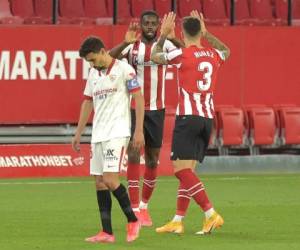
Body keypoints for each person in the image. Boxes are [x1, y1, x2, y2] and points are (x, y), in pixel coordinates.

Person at [150, 11, 230, 235]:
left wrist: (164, 35)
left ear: (183, 33)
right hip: (207, 118)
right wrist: (208, 34)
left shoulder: (181, 55)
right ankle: (178, 220)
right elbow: (227, 51)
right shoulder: (213, 54)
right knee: (189, 169)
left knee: (180, 169)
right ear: (200, 31)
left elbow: (155, 56)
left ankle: (210, 213)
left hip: (188, 117)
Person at [109, 10, 184, 226]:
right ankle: (133, 209)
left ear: (158, 26)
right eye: (146, 23)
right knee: (133, 154)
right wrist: (124, 43)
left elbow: (189, 54)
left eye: (153, 23)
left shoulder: (167, 46)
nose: (150, 26)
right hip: (133, 108)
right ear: (141, 26)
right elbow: (109, 59)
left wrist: (172, 37)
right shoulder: (132, 46)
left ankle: (144, 208)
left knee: (152, 159)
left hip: (157, 110)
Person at [72, 36, 145, 243]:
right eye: (89, 62)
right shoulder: (93, 75)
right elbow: (87, 102)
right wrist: (79, 133)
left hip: (117, 132)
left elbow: (138, 98)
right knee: (99, 183)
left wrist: (138, 130)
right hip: (98, 134)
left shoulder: (124, 69)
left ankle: (133, 219)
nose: (92, 64)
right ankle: (107, 232)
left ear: (103, 51)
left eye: (93, 59)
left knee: (110, 180)